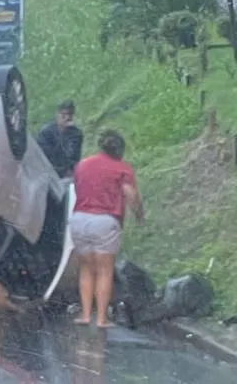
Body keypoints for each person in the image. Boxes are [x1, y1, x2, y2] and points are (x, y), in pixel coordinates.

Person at [70, 130, 145, 329]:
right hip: (104, 221)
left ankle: (85, 315)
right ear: (120, 149)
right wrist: (139, 214)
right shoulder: (121, 169)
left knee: (86, 268)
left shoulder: (83, 165)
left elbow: (76, 187)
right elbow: (131, 195)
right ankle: (102, 318)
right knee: (104, 270)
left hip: (79, 219)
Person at [35, 100, 83, 178]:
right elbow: (46, 156)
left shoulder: (76, 134)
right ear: (57, 115)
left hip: (67, 173)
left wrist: (66, 132)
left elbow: (73, 156)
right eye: (64, 115)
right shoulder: (46, 133)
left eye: (70, 114)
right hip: (48, 172)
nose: (67, 118)